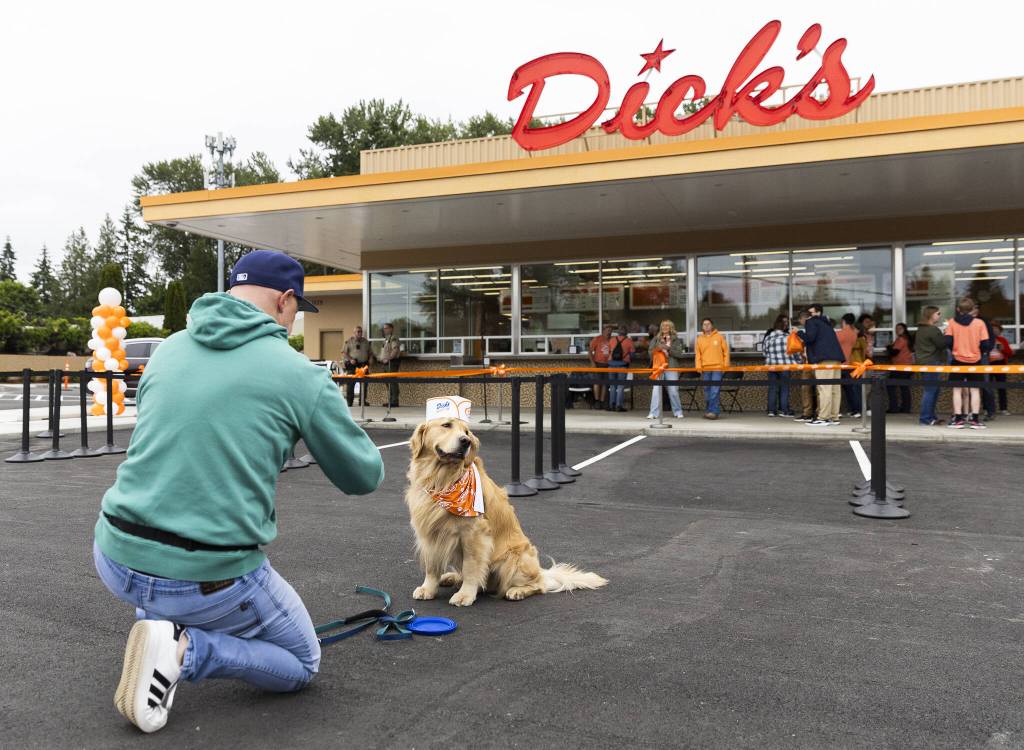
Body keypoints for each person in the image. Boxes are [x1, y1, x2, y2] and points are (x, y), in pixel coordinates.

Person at [93, 250, 384, 734]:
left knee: (171, 579)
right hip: (204, 575)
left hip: (114, 554)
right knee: (302, 660)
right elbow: (363, 475)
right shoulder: (299, 374)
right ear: (285, 301)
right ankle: (184, 651)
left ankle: (159, 623)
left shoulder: (168, 350)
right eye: (295, 310)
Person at [945, 296, 992, 429]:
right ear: (972, 309)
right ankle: (975, 420)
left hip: (957, 360)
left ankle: (958, 419)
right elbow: (986, 344)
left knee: (957, 390)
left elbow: (947, 342)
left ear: (958, 309)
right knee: (975, 390)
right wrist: (979, 351)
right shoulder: (979, 323)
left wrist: (955, 349)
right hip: (975, 360)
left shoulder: (952, 323)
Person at [797, 303, 845, 426]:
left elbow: (810, 338)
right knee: (834, 389)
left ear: (817, 313)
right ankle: (834, 417)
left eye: (810, 313)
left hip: (823, 358)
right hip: (836, 358)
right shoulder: (827, 323)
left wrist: (799, 333)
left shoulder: (811, 322)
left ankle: (823, 417)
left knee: (824, 388)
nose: (808, 316)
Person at [914, 305, 948, 426]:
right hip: (931, 362)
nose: (939, 315)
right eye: (938, 313)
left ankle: (931, 417)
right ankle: (925, 418)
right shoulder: (933, 330)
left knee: (932, 390)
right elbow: (942, 344)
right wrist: (947, 333)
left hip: (923, 362)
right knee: (931, 391)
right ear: (931, 314)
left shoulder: (921, 329)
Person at [646, 320, 685, 420]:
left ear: (671, 327)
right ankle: (653, 413)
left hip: (671, 367)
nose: (664, 327)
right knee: (656, 390)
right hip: (658, 367)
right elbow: (650, 352)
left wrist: (668, 349)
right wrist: (658, 349)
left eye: (667, 326)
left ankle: (678, 411)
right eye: (663, 326)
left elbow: (679, 354)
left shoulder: (676, 339)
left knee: (673, 390)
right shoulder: (656, 339)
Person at [695, 317, 729, 420]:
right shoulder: (699, 339)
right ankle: (709, 410)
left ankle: (713, 412)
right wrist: (698, 367)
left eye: (708, 324)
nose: (706, 326)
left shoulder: (719, 337)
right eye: (704, 324)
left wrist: (725, 366)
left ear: (712, 325)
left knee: (714, 390)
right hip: (705, 368)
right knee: (707, 390)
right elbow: (698, 355)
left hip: (717, 368)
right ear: (702, 327)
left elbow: (726, 352)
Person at [762, 314, 795, 417]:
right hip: (785, 366)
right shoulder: (788, 337)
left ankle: (771, 411)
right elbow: (794, 352)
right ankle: (784, 410)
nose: (786, 324)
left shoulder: (768, 336)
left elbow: (764, 352)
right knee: (784, 388)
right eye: (786, 323)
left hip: (771, 366)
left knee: (772, 388)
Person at [791, 310, 817, 422]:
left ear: (803, 319)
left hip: (816, 363)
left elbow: (811, 339)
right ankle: (807, 413)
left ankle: (818, 413)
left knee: (819, 389)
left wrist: (799, 332)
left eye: (800, 321)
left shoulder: (814, 329)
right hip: (807, 364)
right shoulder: (807, 331)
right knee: (805, 389)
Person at [837, 313, 862, 417]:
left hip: (840, 363)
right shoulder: (854, 334)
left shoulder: (839, 334)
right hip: (850, 363)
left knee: (836, 389)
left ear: (843, 321)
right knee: (851, 389)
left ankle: (836, 411)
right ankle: (855, 410)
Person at [885, 322, 914, 414]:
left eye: (899, 328)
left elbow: (894, 352)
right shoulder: (906, 339)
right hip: (906, 366)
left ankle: (894, 407)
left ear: (904, 329)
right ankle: (906, 408)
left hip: (900, 367)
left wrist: (888, 348)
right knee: (904, 387)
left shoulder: (901, 339)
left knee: (890, 385)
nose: (897, 330)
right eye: (896, 328)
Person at [606, 325, 635, 412]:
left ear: (618, 332)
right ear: (626, 332)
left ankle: (611, 405)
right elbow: (632, 354)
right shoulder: (629, 341)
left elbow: (609, 351)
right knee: (620, 386)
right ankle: (619, 406)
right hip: (622, 365)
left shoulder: (612, 340)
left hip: (611, 364)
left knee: (612, 385)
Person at [342, 325, 371, 407]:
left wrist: (371, 358)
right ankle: (349, 401)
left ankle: (362, 401)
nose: (359, 333)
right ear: (354, 333)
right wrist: (350, 359)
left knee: (364, 384)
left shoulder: (365, 342)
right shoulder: (349, 341)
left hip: (363, 365)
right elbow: (344, 353)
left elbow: (370, 352)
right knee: (351, 384)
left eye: (361, 331)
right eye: (358, 331)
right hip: (353, 365)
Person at [989, 322, 1012, 415]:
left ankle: (1003, 409)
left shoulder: (1003, 340)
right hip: (989, 365)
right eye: (993, 329)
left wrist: (1003, 349)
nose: (995, 331)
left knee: (1002, 387)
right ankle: (989, 409)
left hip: (1000, 364)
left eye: (997, 329)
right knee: (988, 388)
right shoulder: (986, 340)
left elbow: (1010, 353)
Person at [376, 322, 401, 407]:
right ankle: (390, 400)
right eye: (384, 328)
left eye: (386, 328)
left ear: (391, 329)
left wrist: (389, 358)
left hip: (391, 363)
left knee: (392, 382)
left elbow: (395, 350)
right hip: (385, 363)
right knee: (388, 382)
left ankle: (394, 401)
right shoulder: (386, 339)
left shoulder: (393, 338)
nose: (384, 330)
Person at [588, 324, 613, 408]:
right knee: (597, 382)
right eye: (608, 330)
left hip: (608, 364)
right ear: (603, 331)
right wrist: (593, 363)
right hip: (598, 363)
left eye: (610, 331)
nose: (609, 332)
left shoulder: (612, 340)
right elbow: (590, 351)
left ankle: (602, 401)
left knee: (605, 384)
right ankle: (597, 401)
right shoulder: (597, 339)